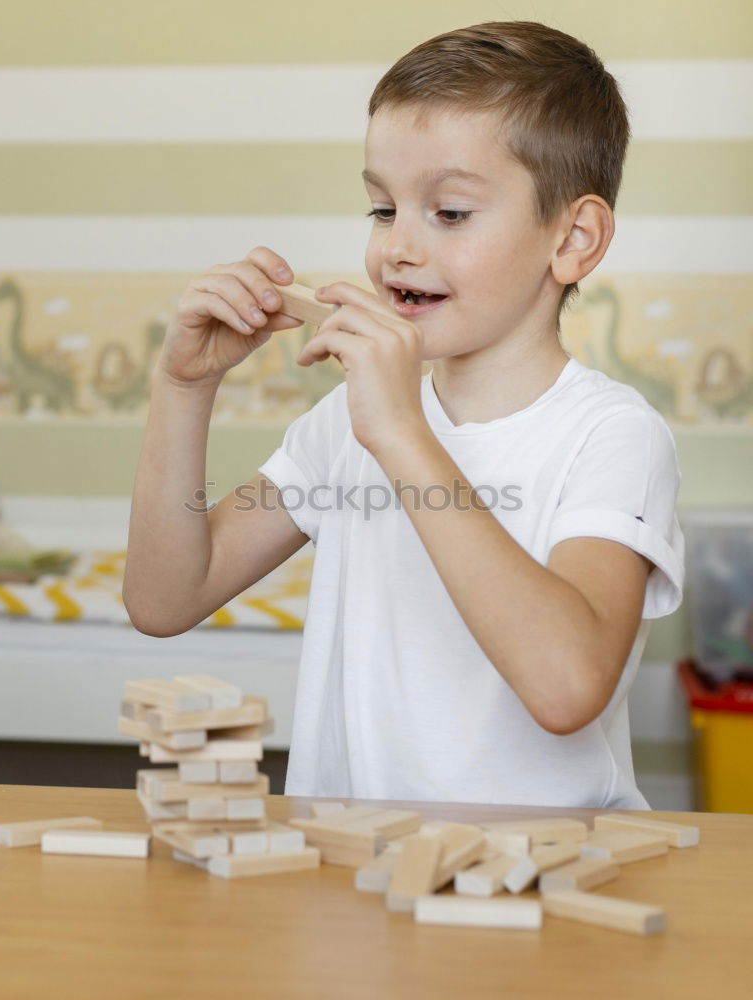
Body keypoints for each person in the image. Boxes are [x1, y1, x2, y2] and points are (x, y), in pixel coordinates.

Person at [123, 20, 684, 809]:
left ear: (573, 238)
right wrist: (183, 393)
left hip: (537, 897)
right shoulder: (343, 424)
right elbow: (163, 599)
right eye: (382, 210)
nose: (396, 250)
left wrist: (399, 434)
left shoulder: (609, 436)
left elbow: (565, 688)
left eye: (449, 212)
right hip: (353, 886)